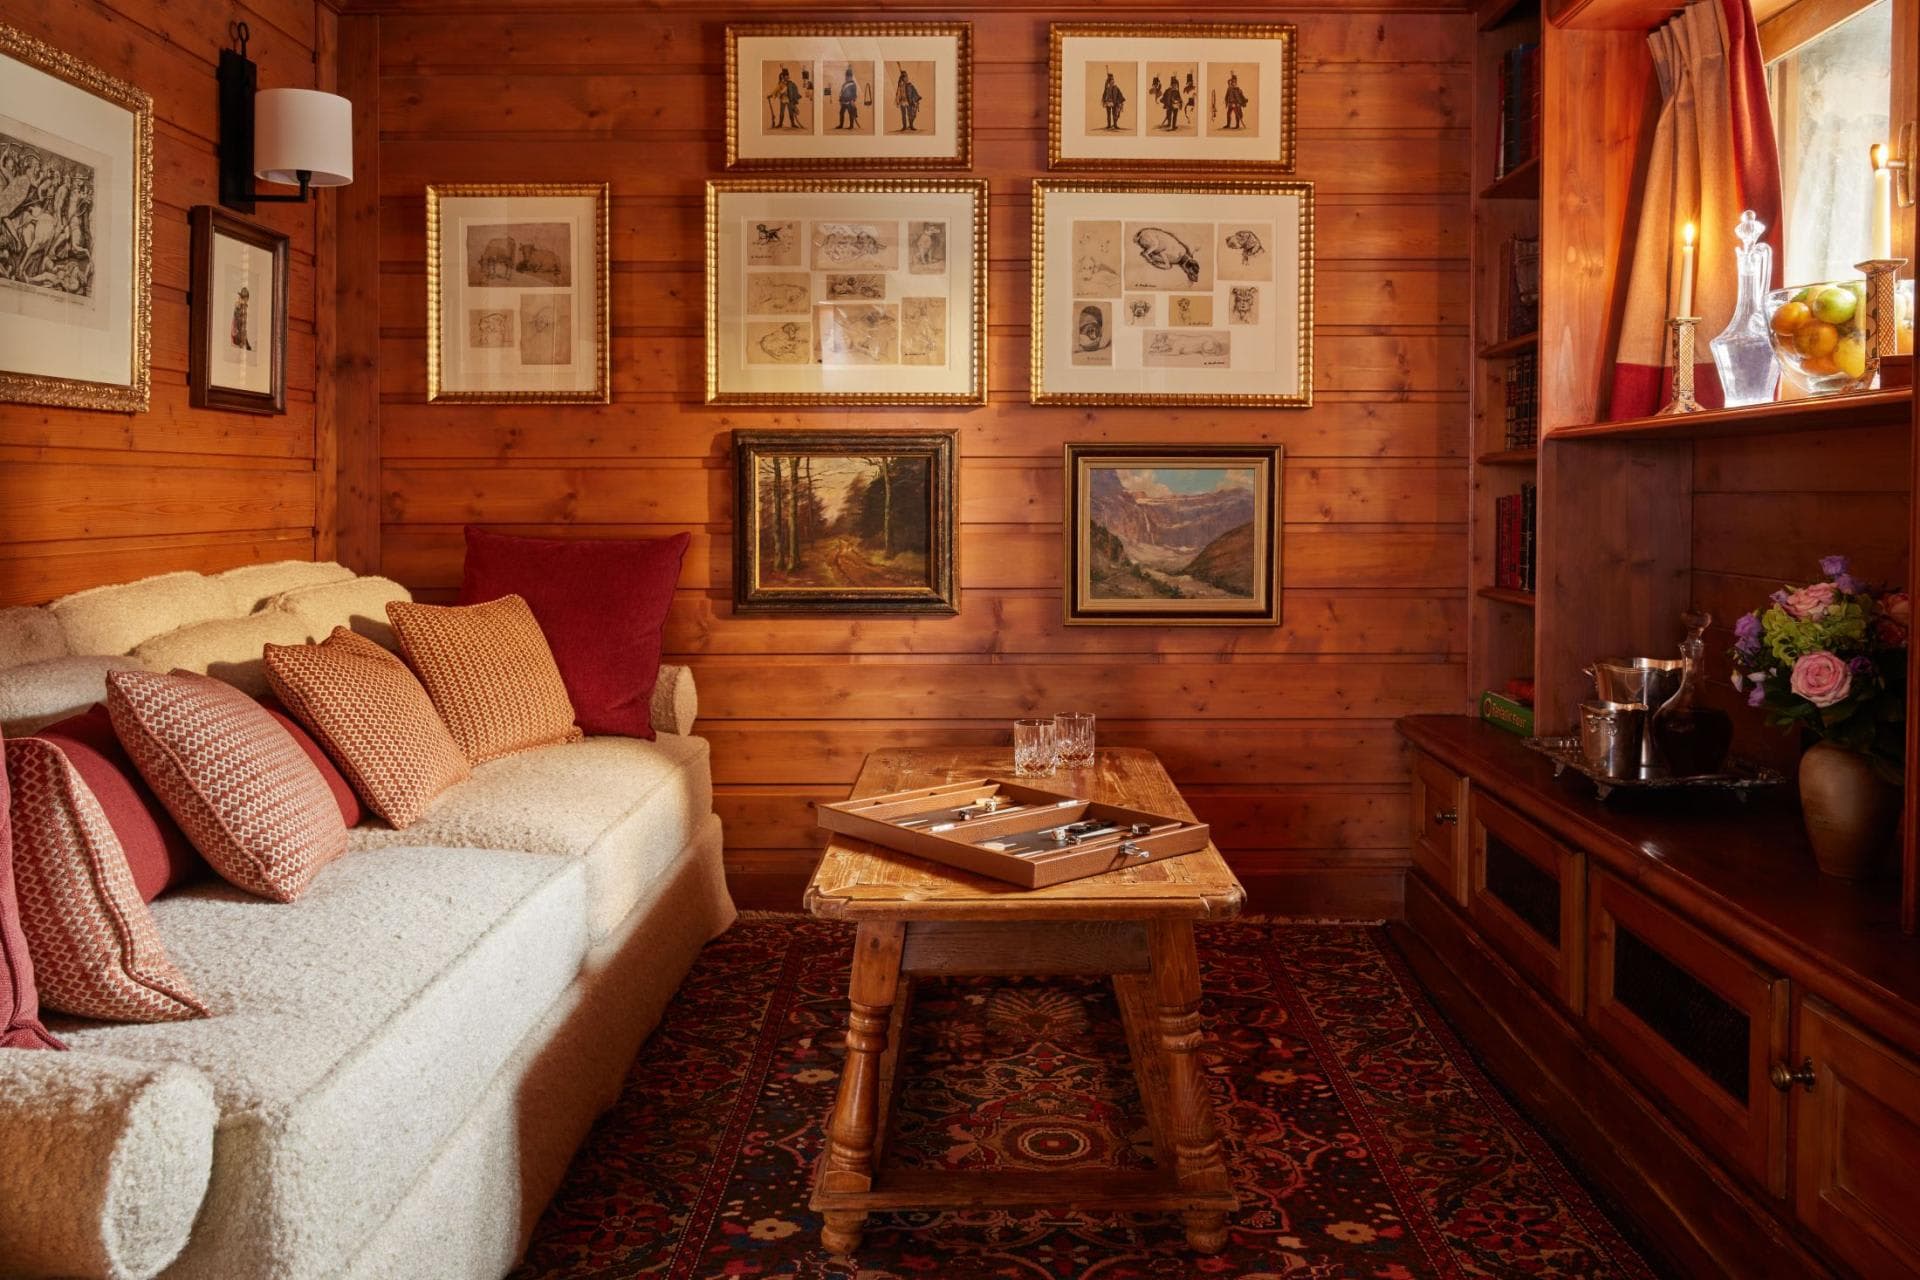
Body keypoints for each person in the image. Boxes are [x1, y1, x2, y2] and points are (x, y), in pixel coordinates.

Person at [894, 67, 922, 132]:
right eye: (905, 77)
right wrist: (897, 101)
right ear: (902, 78)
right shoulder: (899, 86)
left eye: (907, 76)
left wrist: (916, 100)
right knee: (903, 115)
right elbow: (898, 94)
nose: (907, 78)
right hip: (902, 102)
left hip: (908, 102)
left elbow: (914, 92)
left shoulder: (909, 85)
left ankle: (911, 126)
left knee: (910, 114)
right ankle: (904, 127)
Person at [836, 66, 861, 130]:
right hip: (843, 101)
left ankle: (851, 126)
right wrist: (840, 100)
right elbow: (841, 92)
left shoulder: (853, 84)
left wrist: (853, 100)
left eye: (848, 76)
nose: (846, 77)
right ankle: (841, 125)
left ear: (851, 77)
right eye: (846, 76)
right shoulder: (844, 84)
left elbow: (854, 94)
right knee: (841, 113)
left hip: (850, 101)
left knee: (851, 114)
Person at [230, 285, 252, 352]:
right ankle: (243, 343)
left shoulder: (244, 306)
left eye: (247, 300)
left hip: (240, 330)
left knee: (243, 331)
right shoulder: (238, 306)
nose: (246, 301)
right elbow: (237, 321)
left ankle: (245, 343)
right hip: (236, 331)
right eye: (245, 299)